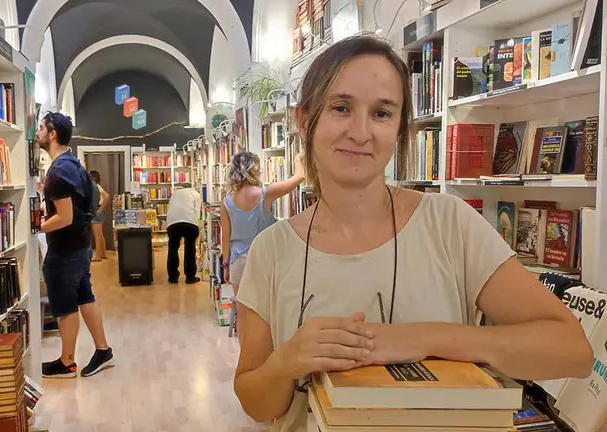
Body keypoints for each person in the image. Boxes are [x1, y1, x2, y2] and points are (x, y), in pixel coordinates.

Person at [232, 35, 592, 431]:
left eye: (382, 113)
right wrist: (287, 361)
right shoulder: (272, 250)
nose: (360, 132)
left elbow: (571, 350)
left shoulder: (448, 223)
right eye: (341, 107)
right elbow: (255, 401)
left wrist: (426, 338)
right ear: (304, 120)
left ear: (401, 130)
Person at [37, 112, 114, 379]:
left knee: (66, 306)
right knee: (85, 296)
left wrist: (36, 227)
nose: (37, 133)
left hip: (65, 250)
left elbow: (64, 217)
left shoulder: (58, 172)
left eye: (41, 128)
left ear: (52, 134)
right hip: (81, 245)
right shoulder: (75, 165)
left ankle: (67, 362)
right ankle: (103, 350)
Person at [220, 152, 305, 296]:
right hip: (263, 260)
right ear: (253, 169)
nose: (260, 171)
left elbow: (225, 239)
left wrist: (226, 266)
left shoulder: (226, 202)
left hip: (238, 262)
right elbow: (299, 177)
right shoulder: (266, 194)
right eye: (259, 167)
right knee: (265, 309)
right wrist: (297, 159)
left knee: (243, 312)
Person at [165, 186, 202, 284]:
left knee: (173, 248)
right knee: (190, 248)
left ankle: (172, 277)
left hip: (172, 223)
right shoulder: (196, 194)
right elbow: (197, 213)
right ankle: (190, 277)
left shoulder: (174, 195)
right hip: (189, 222)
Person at [89, 170, 110, 262]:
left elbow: (107, 196)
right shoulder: (97, 186)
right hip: (99, 211)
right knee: (100, 235)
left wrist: (100, 209)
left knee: (97, 235)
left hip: (97, 211)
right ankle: (103, 253)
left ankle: (97, 256)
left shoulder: (96, 186)